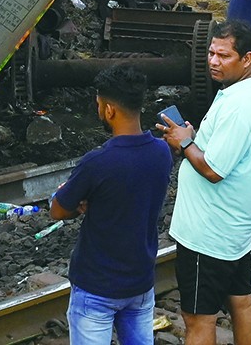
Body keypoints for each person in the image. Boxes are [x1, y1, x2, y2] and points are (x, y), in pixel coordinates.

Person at [163, 21, 251, 345]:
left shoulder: (239, 105)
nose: (213, 61)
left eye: (223, 55)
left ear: (246, 58)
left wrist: (185, 144)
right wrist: (194, 137)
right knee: (241, 300)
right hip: (233, 228)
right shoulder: (249, 94)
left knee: (198, 318)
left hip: (208, 234)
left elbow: (213, 170)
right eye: (211, 53)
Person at [50, 65, 177, 345]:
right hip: (140, 281)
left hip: (97, 285)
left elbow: (58, 210)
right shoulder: (161, 152)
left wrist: (76, 200)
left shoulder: (97, 162)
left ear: (109, 110)